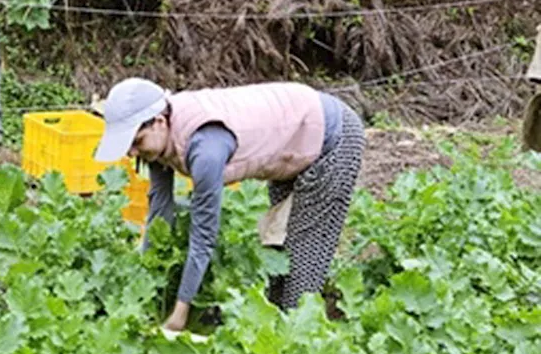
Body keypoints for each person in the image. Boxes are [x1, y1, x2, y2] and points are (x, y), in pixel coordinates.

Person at [93, 78, 365, 331]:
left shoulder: (205, 148)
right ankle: (279, 328)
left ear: (160, 121)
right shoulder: (159, 142)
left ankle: (300, 340)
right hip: (290, 144)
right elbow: (159, 213)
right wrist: (146, 280)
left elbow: (203, 236)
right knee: (280, 253)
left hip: (331, 137)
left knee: (305, 255)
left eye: (136, 142)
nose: (132, 153)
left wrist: (180, 312)